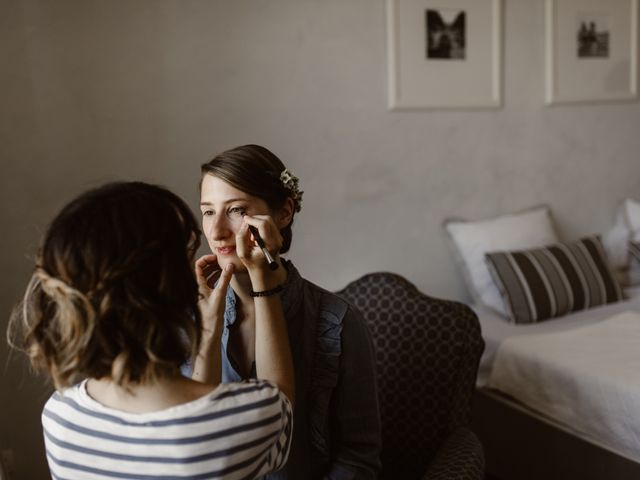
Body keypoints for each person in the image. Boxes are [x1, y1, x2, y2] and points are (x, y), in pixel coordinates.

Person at [7, 181, 294, 480]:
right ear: (173, 285)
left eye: (234, 210)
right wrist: (264, 281)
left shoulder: (60, 415)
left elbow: (190, 410)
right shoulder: (245, 419)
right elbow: (281, 398)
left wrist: (208, 334)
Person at [197, 144, 381, 479]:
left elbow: (358, 456)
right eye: (208, 211)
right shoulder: (190, 316)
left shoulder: (337, 322)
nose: (216, 231)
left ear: (284, 213)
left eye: (236, 210)